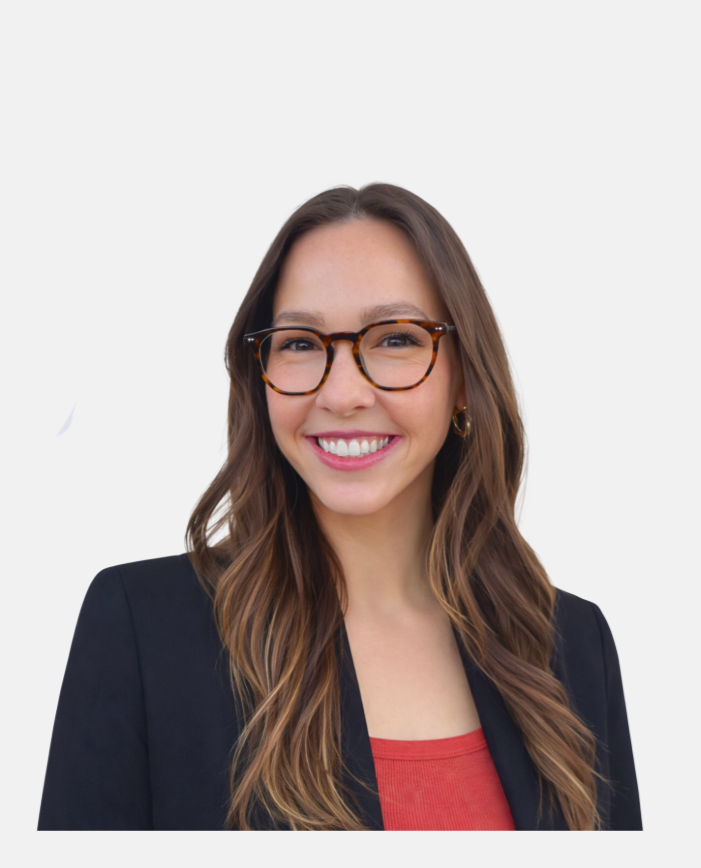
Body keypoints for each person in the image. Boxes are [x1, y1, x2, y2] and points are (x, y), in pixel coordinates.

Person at [37, 183, 642, 831]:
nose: (343, 393)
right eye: (300, 344)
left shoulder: (571, 646)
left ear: (464, 378)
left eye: (395, 339)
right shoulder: (142, 628)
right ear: (259, 372)